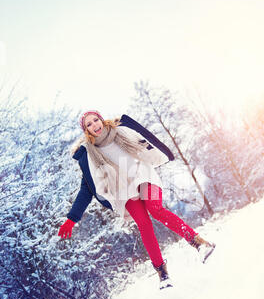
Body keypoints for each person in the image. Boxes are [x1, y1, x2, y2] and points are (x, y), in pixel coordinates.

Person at [58, 111, 215, 289]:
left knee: (155, 209)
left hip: (145, 176)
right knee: (143, 224)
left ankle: (199, 243)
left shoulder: (122, 131)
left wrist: (156, 153)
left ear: (101, 119)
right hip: (123, 190)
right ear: (86, 130)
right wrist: (72, 218)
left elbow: (146, 143)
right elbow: (87, 187)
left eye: (96, 120)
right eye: (89, 124)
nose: (95, 125)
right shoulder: (89, 154)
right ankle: (163, 274)